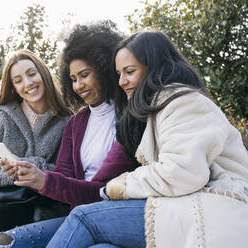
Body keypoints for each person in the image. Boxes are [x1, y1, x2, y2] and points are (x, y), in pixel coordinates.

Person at [47, 30, 248, 248]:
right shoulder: (157, 108)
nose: (122, 82)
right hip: (182, 205)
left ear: (153, 66)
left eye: (129, 72)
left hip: (215, 207)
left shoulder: (185, 103)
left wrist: (117, 187)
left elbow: (182, 173)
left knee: (82, 217)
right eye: (119, 74)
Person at [0, 21, 138, 248]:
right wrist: (31, 176)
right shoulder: (77, 123)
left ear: (104, 68)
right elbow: (63, 179)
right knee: (4, 243)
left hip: (114, 217)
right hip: (76, 218)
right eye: (73, 79)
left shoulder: (130, 117)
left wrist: (45, 179)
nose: (78, 85)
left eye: (84, 75)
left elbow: (105, 190)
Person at [0, 49, 72, 248]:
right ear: (13, 87)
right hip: (8, 208)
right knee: (1, 215)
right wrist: (8, 171)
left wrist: (31, 166)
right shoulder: (2, 119)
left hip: (50, 213)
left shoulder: (69, 121)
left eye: (32, 74)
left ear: (43, 74)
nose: (28, 84)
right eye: (18, 80)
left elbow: (70, 175)